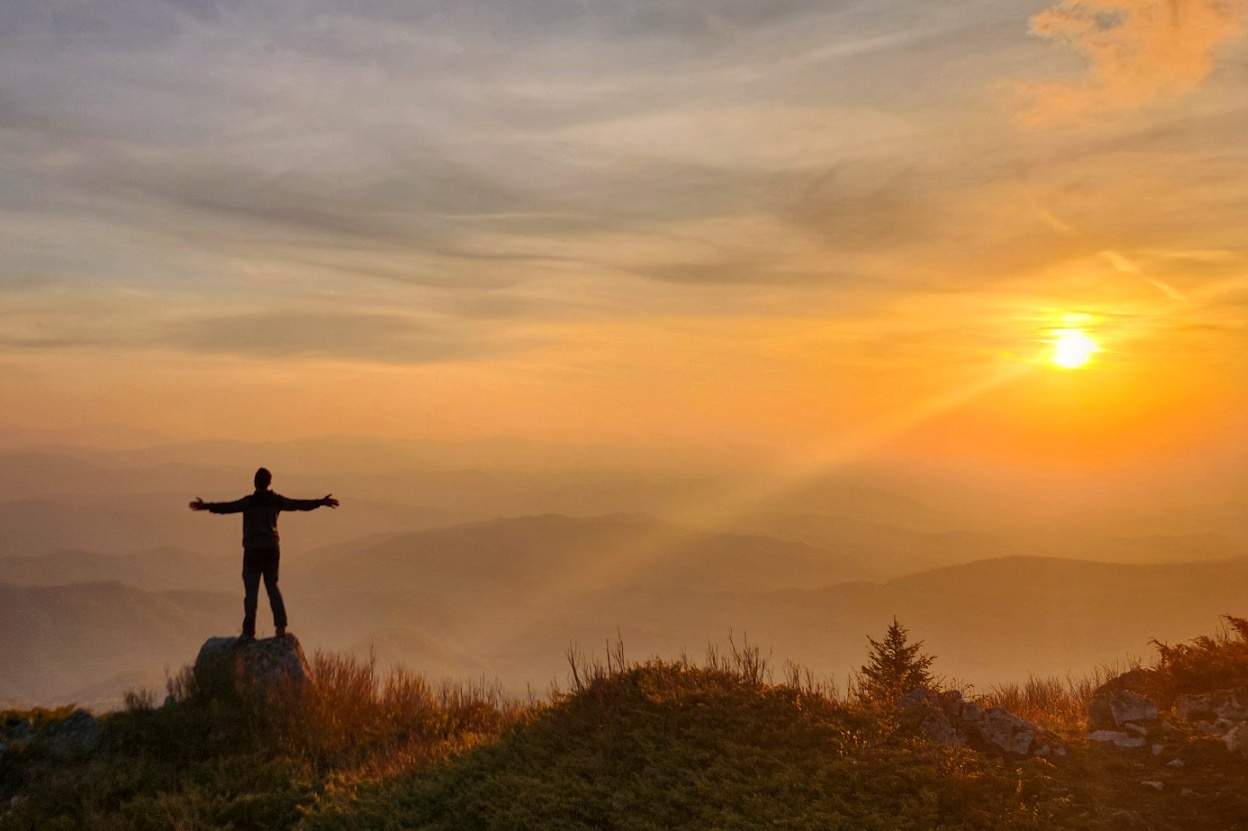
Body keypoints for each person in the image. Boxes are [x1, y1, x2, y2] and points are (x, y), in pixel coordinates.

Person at [189, 467, 338, 641]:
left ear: (255, 482)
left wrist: (206, 506)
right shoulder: (276, 501)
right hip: (272, 550)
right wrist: (320, 502)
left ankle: (248, 632)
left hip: (253, 551)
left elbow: (228, 507)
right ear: (269, 483)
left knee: (251, 592)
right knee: (272, 587)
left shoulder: (249, 502)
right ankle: (281, 627)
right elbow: (298, 505)